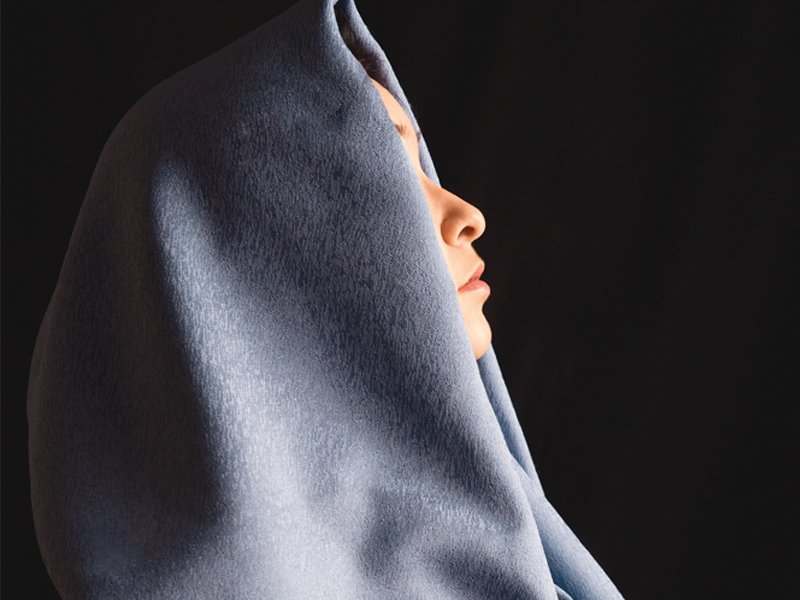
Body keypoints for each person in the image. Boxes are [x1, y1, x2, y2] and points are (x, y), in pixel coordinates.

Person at [27, 0, 624, 597]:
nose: (467, 216)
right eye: (389, 170)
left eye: (422, 162)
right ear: (258, 271)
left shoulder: (505, 548)